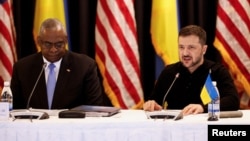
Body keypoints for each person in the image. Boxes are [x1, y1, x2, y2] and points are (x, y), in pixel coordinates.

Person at [143, 25, 239, 115]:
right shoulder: (169, 72)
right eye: (181, 47)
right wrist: (151, 104)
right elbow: (154, 101)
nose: (185, 53)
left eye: (191, 47)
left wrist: (203, 108)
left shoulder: (217, 71)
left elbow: (233, 100)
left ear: (204, 49)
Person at [11, 18, 104, 109]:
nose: (53, 49)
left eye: (59, 44)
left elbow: (95, 107)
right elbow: (14, 108)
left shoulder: (84, 66)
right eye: (47, 44)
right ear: (39, 41)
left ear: (66, 40)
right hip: (33, 124)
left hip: (72, 124)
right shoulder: (22, 68)